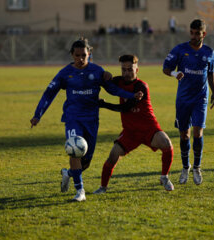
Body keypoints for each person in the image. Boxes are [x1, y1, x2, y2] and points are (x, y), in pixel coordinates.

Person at [30, 38, 142, 202]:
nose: (80, 59)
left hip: (91, 119)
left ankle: (68, 173)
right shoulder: (65, 73)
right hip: (73, 117)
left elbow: (112, 89)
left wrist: (131, 95)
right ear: (72, 55)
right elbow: (49, 93)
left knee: (86, 162)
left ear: (89, 54)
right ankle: (79, 190)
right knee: (74, 148)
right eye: (77, 55)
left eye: (84, 55)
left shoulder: (97, 71)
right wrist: (37, 114)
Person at [93, 54, 174, 194]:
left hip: (149, 129)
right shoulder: (118, 81)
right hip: (130, 132)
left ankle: (164, 177)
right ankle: (102, 188)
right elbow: (104, 83)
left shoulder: (141, 86)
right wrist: (104, 74)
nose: (126, 73)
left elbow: (126, 108)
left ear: (137, 70)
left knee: (167, 144)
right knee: (113, 155)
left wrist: (104, 104)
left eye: (130, 69)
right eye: (123, 69)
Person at [162, 19, 214, 185]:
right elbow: (165, 68)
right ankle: (186, 167)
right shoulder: (180, 50)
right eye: (191, 33)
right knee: (184, 134)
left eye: (197, 33)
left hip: (201, 98)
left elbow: (210, 72)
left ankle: (197, 167)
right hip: (183, 99)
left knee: (198, 132)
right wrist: (174, 74)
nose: (193, 36)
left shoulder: (209, 52)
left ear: (203, 34)